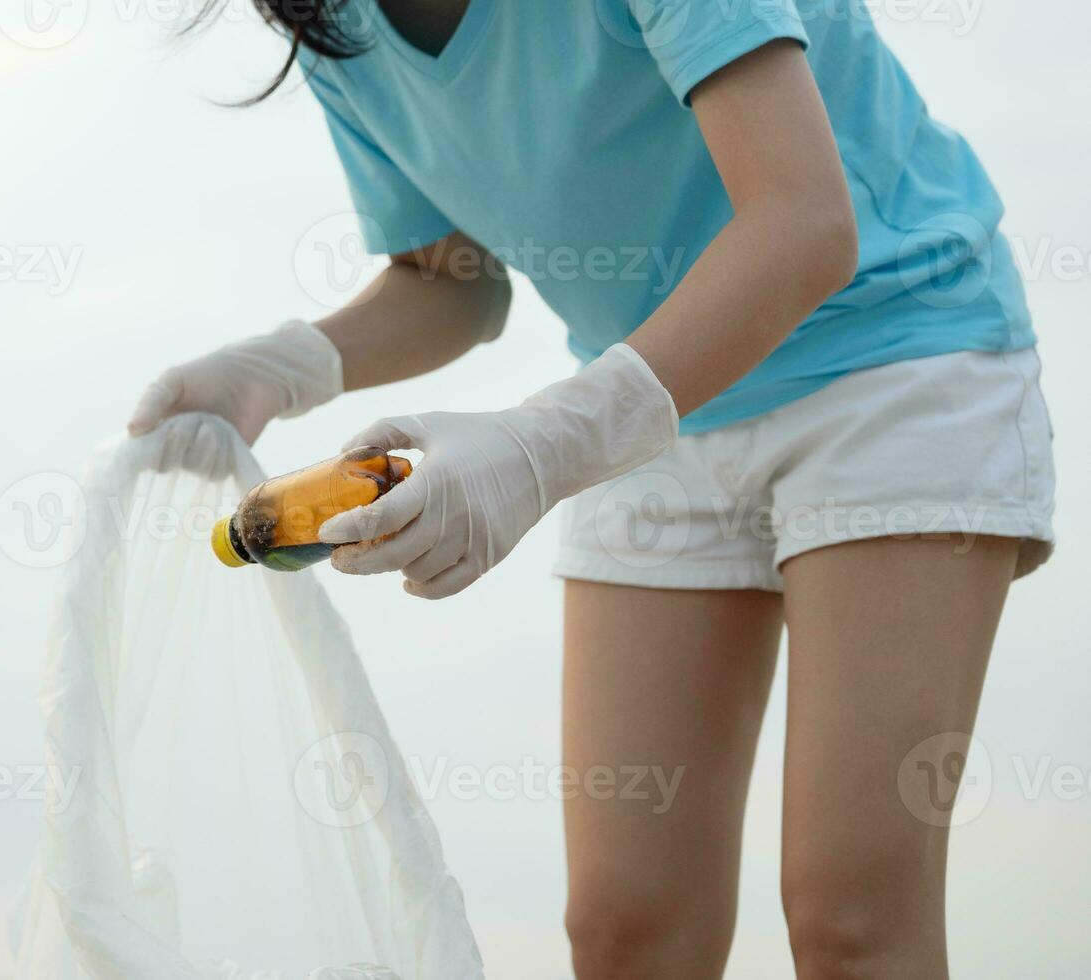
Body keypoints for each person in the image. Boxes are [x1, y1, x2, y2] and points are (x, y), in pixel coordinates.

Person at [125, 1, 1054, 976]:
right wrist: (282, 365)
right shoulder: (334, 21)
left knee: (849, 915)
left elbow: (804, 224)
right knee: (625, 929)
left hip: (886, 358)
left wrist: (542, 444)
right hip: (657, 399)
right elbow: (452, 280)